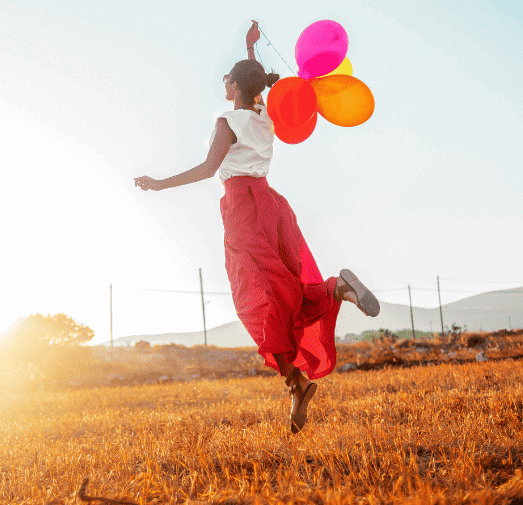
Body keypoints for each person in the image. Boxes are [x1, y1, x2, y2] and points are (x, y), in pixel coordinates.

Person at [134, 57, 380, 433]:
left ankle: (297, 377)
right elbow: (254, 85)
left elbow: (206, 169)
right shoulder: (265, 115)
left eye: (227, 78)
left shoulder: (227, 122)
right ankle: (324, 318)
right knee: (287, 291)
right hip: (273, 206)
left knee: (257, 302)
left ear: (233, 85)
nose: (224, 82)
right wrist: (250, 51)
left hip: (243, 210)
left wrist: (157, 184)